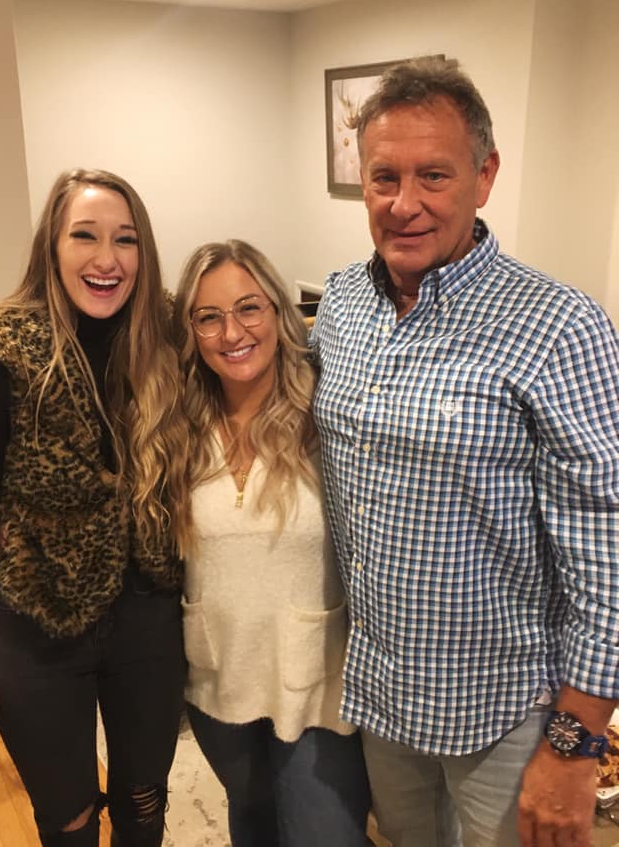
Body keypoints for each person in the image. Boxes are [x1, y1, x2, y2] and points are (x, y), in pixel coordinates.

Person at [310, 56, 619, 847]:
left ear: (484, 177)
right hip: (381, 693)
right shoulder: (341, 303)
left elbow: (607, 555)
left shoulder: (561, 327)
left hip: (505, 713)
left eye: (434, 176)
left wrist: (575, 747)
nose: (404, 204)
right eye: (384, 177)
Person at [0, 169, 191, 847]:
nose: (107, 259)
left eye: (125, 239)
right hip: (36, 626)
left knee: (144, 803)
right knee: (68, 820)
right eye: (85, 236)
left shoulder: (166, 347)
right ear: (51, 246)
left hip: (147, 619)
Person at [172, 240, 371, 847]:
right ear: (192, 332)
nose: (232, 332)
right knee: (253, 824)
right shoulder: (178, 424)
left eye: (249, 308)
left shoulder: (327, 412)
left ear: (279, 312)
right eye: (209, 317)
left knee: (325, 834)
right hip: (218, 679)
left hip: (318, 684)